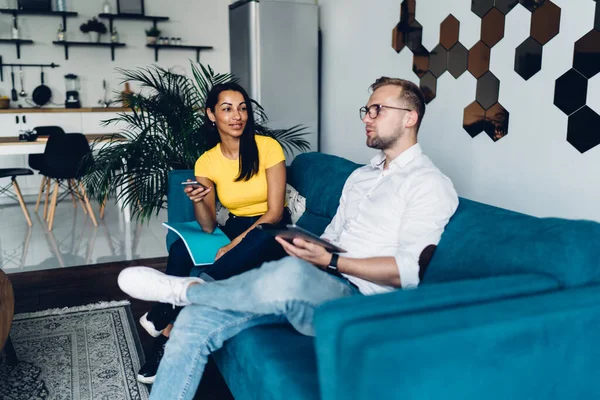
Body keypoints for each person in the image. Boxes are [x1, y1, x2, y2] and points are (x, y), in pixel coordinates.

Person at [118, 77, 459, 398]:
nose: (367, 118)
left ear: (410, 117)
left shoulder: (428, 184)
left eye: (377, 110)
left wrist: (332, 260)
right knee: (196, 321)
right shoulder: (360, 178)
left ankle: (188, 290)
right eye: (365, 110)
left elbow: (411, 272)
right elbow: (331, 236)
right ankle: (190, 305)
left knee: (287, 268)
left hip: (359, 299)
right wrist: (308, 248)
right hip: (317, 280)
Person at [135, 81, 292, 383]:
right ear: (211, 114)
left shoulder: (268, 147)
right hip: (234, 223)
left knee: (255, 237)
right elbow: (208, 224)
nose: (237, 116)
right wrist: (199, 201)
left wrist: (234, 245)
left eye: (243, 108)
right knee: (182, 249)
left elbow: (273, 212)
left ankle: (166, 315)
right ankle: (166, 330)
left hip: (272, 227)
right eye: (227, 108)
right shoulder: (206, 161)